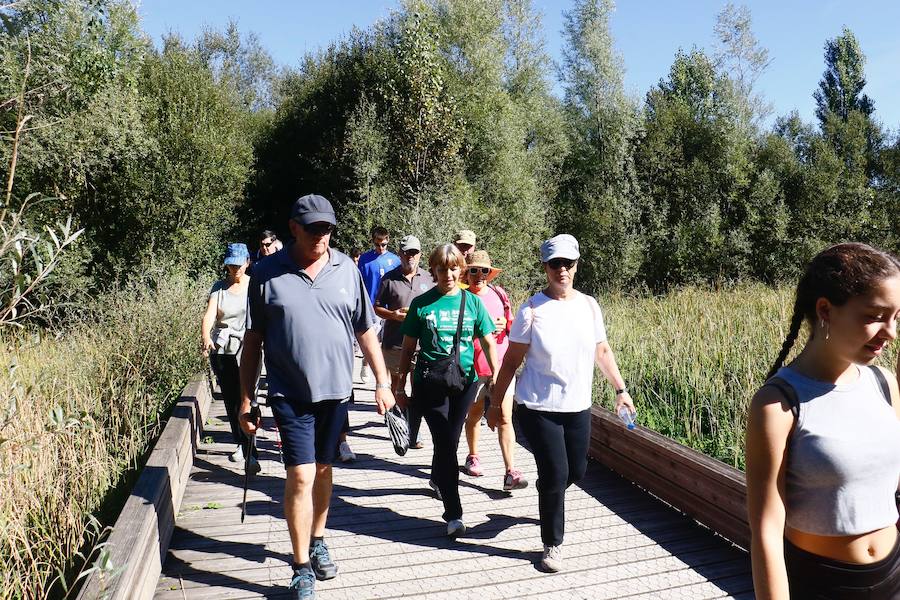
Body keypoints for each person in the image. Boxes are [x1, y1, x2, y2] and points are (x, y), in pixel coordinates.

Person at [239, 194, 395, 600]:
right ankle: (301, 564)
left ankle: (319, 537)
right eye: (313, 229)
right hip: (289, 393)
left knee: (324, 471)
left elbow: (365, 329)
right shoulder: (267, 273)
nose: (321, 237)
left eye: (327, 229)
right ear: (294, 228)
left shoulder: (347, 269)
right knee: (301, 474)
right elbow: (253, 342)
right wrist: (244, 398)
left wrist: (382, 381)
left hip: (336, 392)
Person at [745, 242, 900, 600]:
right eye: (875, 316)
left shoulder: (884, 384)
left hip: (894, 574)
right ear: (826, 310)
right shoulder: (778, 404)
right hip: (821, 584)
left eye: (897, 317)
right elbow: (767, 531)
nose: (890, 332)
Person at [491, 234, 634, 573]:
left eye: (568, 263)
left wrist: (620, 389)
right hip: (538, 407)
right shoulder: (531, 310)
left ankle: (548, 493)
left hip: (577, 406)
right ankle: (552, 543)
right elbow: (510, 362)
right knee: (556, 474)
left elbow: (602, 350)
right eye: (555, 264)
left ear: (576, 265)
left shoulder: (589, 306)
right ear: (545, 267)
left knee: (576, 471)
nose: (562, 270)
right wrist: (497, 404)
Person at [396, 244, 498, 537]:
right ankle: (453, 513)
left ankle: (438, 478)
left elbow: (489, 342)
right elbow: (408, 348)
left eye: (454, 268)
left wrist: (494, 379)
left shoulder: (472, 303)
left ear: (461, 269)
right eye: (442, 269)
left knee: (450, 443)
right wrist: (399, 383)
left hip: (465, 382)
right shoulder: (422, 304)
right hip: (430, 382)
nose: (449, 274)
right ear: (434, 271)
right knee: (445, 443)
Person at [461, 250, 527, 491]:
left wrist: (505, 324)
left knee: (505, 418)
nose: (479, 275)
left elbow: (513, 327)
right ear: (466, 273)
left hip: (501, 365)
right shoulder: (462, 298)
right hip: (473, 366)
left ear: (490, 274)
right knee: (475, 413)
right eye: (474, 271)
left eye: (484, 271)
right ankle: (473, 455)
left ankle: (511, 471)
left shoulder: (500, 295)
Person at [201, 243, 258, 472]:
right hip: (223, 349)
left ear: (247, 262)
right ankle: (243, 447)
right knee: (232, 399)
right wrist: (206, 337)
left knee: (248, 399)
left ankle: (250, 448)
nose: (235, 270)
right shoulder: (219, 288)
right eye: (231, 265)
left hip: (249, 349)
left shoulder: (254, 286)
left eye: (239, 264)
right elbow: (209, 316)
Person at [374, 234, 435, 449]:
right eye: (406, 252)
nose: (410, 256)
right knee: (397, 386)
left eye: (414, 252)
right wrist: (393, 315)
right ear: (399, 254)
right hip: (395, 342)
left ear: (420, 254)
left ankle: (413, 431)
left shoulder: (429, 278)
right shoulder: (389, 279)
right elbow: (377, 308)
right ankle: (400, 426)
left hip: (422, 346)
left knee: (417, 389)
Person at [357, 227, 400, 382]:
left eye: (383, 244)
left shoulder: (395, 260)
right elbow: (359, 282)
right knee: (372, 339)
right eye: (377, 244)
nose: (380, 248)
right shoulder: (364, 259)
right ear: (373, 242)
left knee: (385, 344)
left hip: (389, 307)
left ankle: (383, 377)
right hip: (370, 306)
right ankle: (365, 362)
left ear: (388, 240)